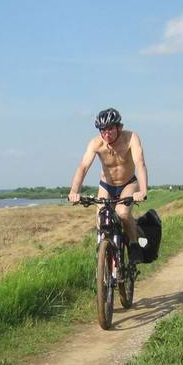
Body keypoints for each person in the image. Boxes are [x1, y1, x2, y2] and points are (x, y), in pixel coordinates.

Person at [69, 107, 149, 263]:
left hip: (128, 183)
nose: (106, 134)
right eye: (102, 130)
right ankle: (104, 261)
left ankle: (133, 244)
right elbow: (83, 166)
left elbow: (140, 164)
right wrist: (74, 191)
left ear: (119, 127)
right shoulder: (96, 143)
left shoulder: (131, 138)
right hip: (106, 185)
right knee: (101, 219)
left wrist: (143, 190)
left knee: (123, 213)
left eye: (110, 129)